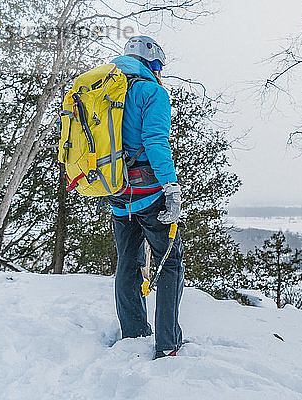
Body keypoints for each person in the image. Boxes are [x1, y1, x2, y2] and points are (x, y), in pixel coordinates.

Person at [109, 35, 184, 359]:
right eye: (160, 67)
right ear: (153, 63)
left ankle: (134, 331)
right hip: (149, 193)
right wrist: (172, 187)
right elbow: (155, 143)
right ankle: (167, 343)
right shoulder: (152, 92)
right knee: (170, 262)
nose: (161, 72)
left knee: (128, 261)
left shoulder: (104, 91)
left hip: (115, 192)